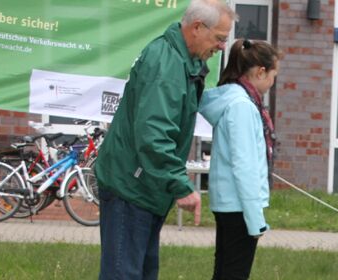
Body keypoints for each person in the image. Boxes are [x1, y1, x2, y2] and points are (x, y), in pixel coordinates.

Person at [94, 0, 235, 279]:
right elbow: (154, 135)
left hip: (144, 187)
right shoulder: (166, 65)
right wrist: (180, 185)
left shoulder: (182, 60)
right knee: (124, 274)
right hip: (131, 186)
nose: (221, 47)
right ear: (197, 27)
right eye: (219, 38)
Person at [198, 39, 281, 280]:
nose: (274, 82)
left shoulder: (235, 100)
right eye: (274, 75)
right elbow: (244, 165)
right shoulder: (242, 106)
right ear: (260, 72)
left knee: (225, 271)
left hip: (230, 204)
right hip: (239, 207)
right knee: (234, 273)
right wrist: (256, 220)